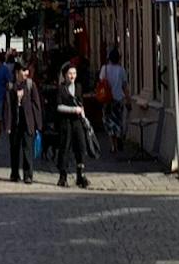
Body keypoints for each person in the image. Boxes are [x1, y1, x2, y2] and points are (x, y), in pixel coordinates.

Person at [54, 60, 92, 188]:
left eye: (74, 73)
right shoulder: (61, 88)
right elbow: (58, 106)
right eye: (70, 73)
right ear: (65, 75)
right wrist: (72, 110)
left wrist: (84, 117)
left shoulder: (79, 87)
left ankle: (80, 175)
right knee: (65, 148)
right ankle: (63, 176)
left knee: (81, 147)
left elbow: (81, 104)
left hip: (77, 122)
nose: (72, 76)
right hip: (65, 122)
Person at [8, 62, 42, 183]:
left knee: (28, 149)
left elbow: (36, 105)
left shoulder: (30, 85)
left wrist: (38, 124)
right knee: (14, 149)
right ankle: (15, 173)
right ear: (17, 72)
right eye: (23, 70)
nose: (26, 73)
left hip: (28, 122)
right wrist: (7, 124)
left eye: (27, 70)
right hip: (15, 122)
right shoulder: (11, 86)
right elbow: (8, 107)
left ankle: (28, 175)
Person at [98, 48, 129, 142]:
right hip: (119, 98)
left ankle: (113, 144)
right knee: (118, 119)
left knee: (108, 120)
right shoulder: (121, 70)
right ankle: (118, 135)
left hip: (107, 99)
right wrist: (128, 99)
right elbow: (125, 86)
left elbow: (101, 81)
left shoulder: (104, 68)